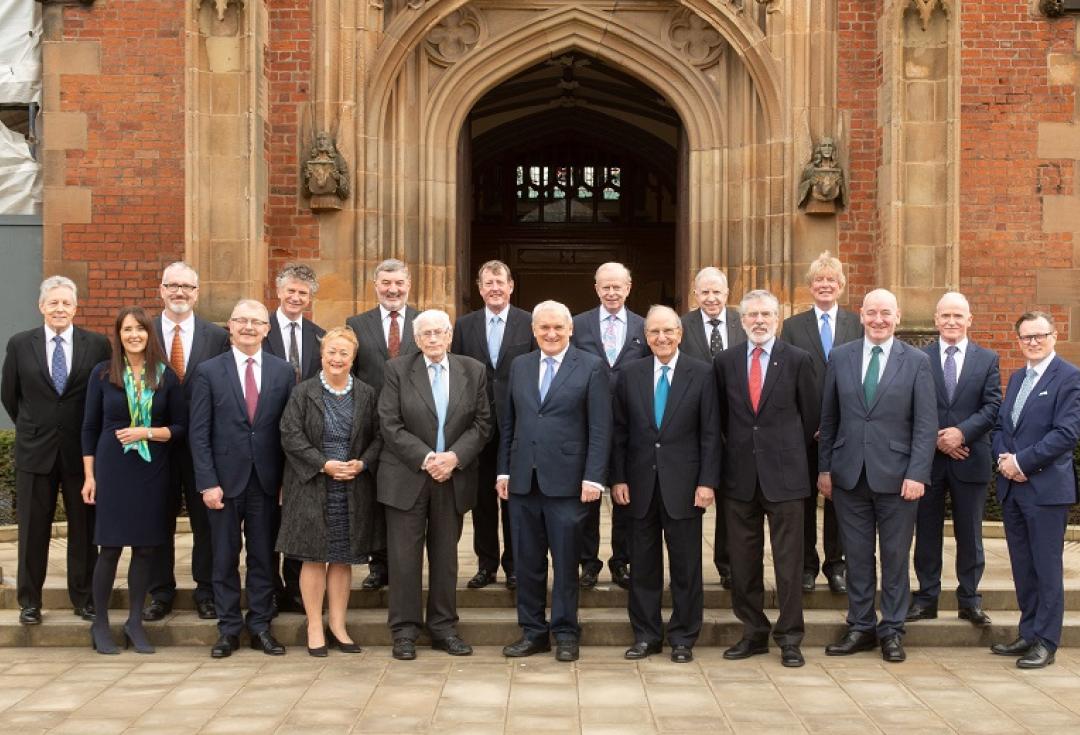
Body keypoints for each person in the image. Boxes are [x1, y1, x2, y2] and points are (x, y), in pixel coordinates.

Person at [818, 288, 936, 664]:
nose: (879, 320)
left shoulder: (916, 361)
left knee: (895, 556)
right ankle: (861, 626)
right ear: (862, 316)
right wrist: (825, 468)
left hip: (899, 479)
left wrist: (918, 472)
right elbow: (829, 418)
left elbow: (925, 424)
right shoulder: (841, 357)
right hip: (849, 476)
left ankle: (893, 630)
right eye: (872, 313)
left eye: (886, 313)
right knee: (857, 556)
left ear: (897, 316)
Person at [498, 301, 612, 662]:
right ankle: (532, 632)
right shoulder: (521, 365)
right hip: (523, 482)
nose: (550, 334)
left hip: (568, 484)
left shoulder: (591, 366)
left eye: (558, 328)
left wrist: (594, 477)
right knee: (527, 562)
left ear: (570, 330)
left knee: (565, 564)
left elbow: (600, 428)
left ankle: (565, 633)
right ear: (534, 330)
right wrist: (504, 471)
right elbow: (509, 423)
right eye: (544, 328)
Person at [378, 310, 491, 660]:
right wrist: (429, 458)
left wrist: (454, 458)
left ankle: (443, 628)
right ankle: (405, 631)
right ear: (416, 339)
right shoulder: (396, 370)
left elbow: (482, 423)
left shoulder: (472, 371)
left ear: (449, 335)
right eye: (425, 333)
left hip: (452, 477)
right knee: (403, 559)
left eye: (439, 332)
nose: (432, 339)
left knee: (446, 558)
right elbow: (389, 422)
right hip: (407, 476)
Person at [715, 290, 818, 668]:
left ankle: (790, 637)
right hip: (740, 477)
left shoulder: (797, 360)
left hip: (786, 477)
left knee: (789, 564)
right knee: (743, 562)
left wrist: (784, 451)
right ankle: (753, 631)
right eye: (752, 315)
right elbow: (721, 418)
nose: (759, 321)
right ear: (741, 321)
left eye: (766, 315)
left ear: (777, 318)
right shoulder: (724, 363)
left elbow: (810, 418)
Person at [610, 306, 719, 663]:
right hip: (639, 485)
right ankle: (646, 635)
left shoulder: (701, 374)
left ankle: (684, 637)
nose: (661, 338)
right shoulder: (630, 374)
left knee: (687, 567)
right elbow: (619, 432)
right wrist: (618, 477)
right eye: (654, 332)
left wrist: (707, 482)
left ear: (680, 334)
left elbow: (710, 434)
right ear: (646, 336)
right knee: (643, 566)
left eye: (668, 331)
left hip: (685, 486)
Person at [188, 300, 296, 658]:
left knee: (265, 558)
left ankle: (261, 626)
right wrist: (207, 482)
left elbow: (288, 432)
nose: (249, 327)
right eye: (242, 321)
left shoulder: (283, 372)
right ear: (230, 327)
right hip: (223, 483)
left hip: (267, 483)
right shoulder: (208, 371)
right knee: (223, 558)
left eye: (257, 322)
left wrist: (285, 480)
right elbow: (199, 433)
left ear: (267, 329)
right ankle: (229, 629)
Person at [2, 276, 111, 625]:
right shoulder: (21, 344)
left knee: (84, 528)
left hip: (82, 453)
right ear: (41, 307)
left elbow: (103, 396)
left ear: (76, 308)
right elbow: (10, 395)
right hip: (35, 451)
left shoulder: (96, 345)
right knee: (33, 530)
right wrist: (34, 427)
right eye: (53, 303)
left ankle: (84, 599)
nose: (60, 308)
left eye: (66, 303)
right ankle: (30, 602)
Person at [80, 306, 186, 654]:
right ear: (119, 334)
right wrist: (89, 476)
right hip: (112, 469)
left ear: (149, 334)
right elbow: (89, 428)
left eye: (140, 329)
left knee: (144, 549)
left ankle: (134, 622)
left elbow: (180, 427)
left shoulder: (165, 376)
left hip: (151, 470)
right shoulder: (102, 374)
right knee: (109, 548)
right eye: (127, 330)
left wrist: (148, 431)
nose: (134, 335)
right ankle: (100, 625)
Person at [278, 327, 382, 656]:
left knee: (341, 558)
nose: (337, 359)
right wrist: (324, 464)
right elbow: (290, 434)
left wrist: (363, 464)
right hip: (312, 484)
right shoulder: (303, 392)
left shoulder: (367, 393)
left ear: (353, 359)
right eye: (331, 352)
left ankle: (338, 624)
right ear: (322, 355)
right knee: (313, 557)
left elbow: (380, 437)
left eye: (344, 354)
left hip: (351, 487)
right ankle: (313, 625)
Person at [991, 311, 1080, 669]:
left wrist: (1022, 462)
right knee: (1023, 568)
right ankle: (1028, 632)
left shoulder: (1070, 378)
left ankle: (1046, 640)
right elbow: (1000, 426)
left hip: (1044, 491)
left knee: (1046, 569)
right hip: (1013, 489)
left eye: (1039, 335)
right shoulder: (1017, 378)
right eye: (1026, 337)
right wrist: (1003, 460)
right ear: (1019, 341)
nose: (1033, 342)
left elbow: (1066, 433)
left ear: (1054, 336)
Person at [907, 292, 1000, 628]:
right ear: (935, 319)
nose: (951, 322)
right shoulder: (919, 358)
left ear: (969, 320)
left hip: (970, 458)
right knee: (927, 531)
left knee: (970, 534)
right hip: (928, 461)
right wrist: (936, 440)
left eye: (958, 316)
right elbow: (911, 405)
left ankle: (970, 601)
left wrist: (960, 433)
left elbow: (992, 407)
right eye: (945, 316)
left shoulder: (987, 359)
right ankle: (926, 598)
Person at [145, 262, 230, 623]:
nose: (180, 292)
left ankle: (206, 590)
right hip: (155, 443)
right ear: (161, 289)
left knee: (206, 523)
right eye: (173, 285)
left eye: (187, 287)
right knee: (156, 520)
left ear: (197, 292)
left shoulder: (216, 336)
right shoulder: (142, 331)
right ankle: (160, 591)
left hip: (203, 446)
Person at [450, 260, 536, 590]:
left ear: (511, 285)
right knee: (483, 500)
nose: (495, 288)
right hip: (477, 427)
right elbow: (457, 374)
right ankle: (486, 565)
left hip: (517, 426)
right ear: (480, 288)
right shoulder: (465, 325)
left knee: (515, 499)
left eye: (500, 282)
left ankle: (514, 566)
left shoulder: (528, 323)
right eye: (488, 283)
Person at [779, 251, 860, 595]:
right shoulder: (793, 326)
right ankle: (807, 566)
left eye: (831, 280)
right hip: (804, 431)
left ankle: (836, 565)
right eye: (819, 280)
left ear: (840, 286)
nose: (825, 285)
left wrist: (837, 424)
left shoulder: (856, 324)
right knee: (803, 501)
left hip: (845, 431)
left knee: (839, 500)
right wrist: (806, 424)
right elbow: (786, 380)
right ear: (810, 286)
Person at [571, 262, 648, 589]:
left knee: (625, 496)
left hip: (632, 427)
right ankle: (588, 562)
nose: (612, 292)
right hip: (587, 424)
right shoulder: (577, 325)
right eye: (606, 287)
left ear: (629, 287)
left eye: (618, 286)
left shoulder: (645, 327)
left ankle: (622, 561)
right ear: (596, 287)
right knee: (587, 496)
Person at [346, 258, 420, 590]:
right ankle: (379, 566)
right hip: (371, 426)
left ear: (409, 284)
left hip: (414, 427)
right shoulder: (357, 324)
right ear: (375, 285)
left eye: (399, 283)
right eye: (386, 283)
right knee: (375, 497)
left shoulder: (424, 322)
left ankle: (408, 563)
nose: (393, 289)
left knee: (408, 497)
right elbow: (350, 373)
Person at [263, 263, 327, 615]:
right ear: (279, 291)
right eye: (291, 291)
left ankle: (296, 587)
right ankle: (271, 587)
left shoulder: (319, 336)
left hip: (306, 442)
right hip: (266, 439)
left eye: (303, 293)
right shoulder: (260, 328)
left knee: (300, 515)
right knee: (269, 517)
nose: (296, 298)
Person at [680, 266, 746, 589]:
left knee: (732, 501)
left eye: (716, 292)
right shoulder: (681, 327)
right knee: (690, 499)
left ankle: (728, 564)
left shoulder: (742, 322)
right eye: (704, 292)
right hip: (693, 427)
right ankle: (686, 569)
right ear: (695, 295)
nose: (711, 298)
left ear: (727, 294)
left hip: (736, 427)